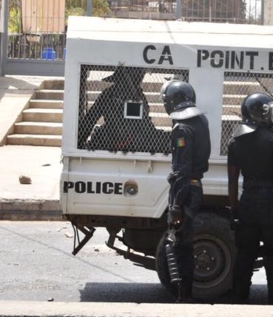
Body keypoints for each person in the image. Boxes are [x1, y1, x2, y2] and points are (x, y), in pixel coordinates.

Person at [227, 92, 273, 305]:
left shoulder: (235, 142)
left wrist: (234, 211)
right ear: (262, 114)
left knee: (245, 253)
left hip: (247, 201)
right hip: (270, 202)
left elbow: (232, 182)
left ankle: (239, 298)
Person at [160, 79, 211, 302]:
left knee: (178, 245)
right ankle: (185, 294)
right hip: (195, 186)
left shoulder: (181, 128)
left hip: (185, 192)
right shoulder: (201, 121)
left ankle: (184, 296)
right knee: (183, 243)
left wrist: (176, 206)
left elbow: (181, 169)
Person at [78, 66, 167, 152]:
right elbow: (91, 118)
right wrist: (80, 140)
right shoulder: (109, 94)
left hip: (134, 138)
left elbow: (91, 118)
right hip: (112, 137)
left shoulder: (138, 96)